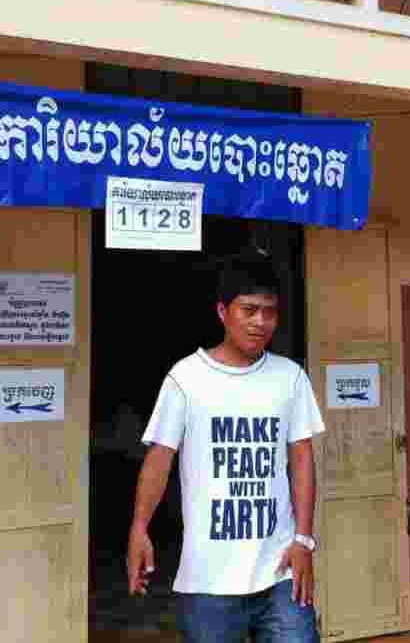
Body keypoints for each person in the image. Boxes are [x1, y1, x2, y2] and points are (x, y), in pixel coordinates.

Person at [126, 250, 325, 643]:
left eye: (269, 312)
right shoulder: (186, 378)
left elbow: (302, 457)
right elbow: (160, 458)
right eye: (249, 310)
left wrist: (303, 539)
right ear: (222, 311)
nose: (260, 322)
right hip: (207, 582)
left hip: (280, 573)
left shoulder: (290, 378)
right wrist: (139, 528)